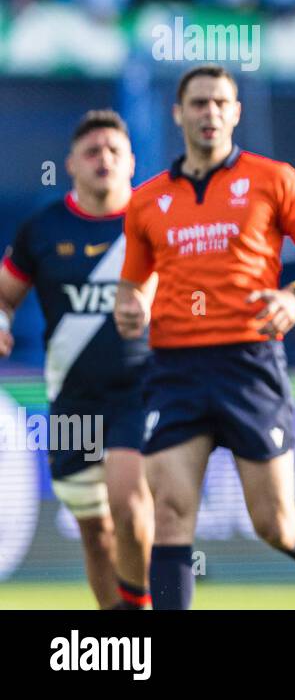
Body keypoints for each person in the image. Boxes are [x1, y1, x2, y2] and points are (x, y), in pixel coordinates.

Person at [113, 66, 295, 609]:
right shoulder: (147, 201)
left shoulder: (273, 179)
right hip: (174, 367)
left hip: (249, 362)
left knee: (274, 522)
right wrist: (131, 308)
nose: (210, 113)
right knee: (171, 512)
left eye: (221, 103)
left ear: (237, 111)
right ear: (179, 113)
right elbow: (133, 285)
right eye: (199, 103)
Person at [0, 110, 154, 609]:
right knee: (96, 532)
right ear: (71, 164)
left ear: (131, 161)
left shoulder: (155, 223)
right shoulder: (43, 230)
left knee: (130, 506)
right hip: (72, 402)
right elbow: (4, 296)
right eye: (92, 152)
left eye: (113, 150)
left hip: (139, 392)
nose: (103, 159)